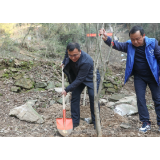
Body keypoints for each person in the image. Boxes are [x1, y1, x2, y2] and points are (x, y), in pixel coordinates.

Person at [100, 25, 160, 133]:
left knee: (158, 99)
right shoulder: (129, 45)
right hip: (139, 77)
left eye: (138, 39)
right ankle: (145, 122)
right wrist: (106, 38)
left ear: (143, 36)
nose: (135, 42)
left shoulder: (153, 43)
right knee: (140, 99)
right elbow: (116, 45)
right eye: (133, 39)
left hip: (153, 75)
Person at [61, 42, 100, 130]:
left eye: (75, 55)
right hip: (78, 76)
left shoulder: (86, 61)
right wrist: (64, 61)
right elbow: (66, 54)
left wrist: (67, 89)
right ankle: (75, 122)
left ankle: (96, 122)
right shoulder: (69, 54)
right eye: (70, 55)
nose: (73, 58)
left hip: (91, 78)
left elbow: (79, 79)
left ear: (80, 51)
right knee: (74, 95)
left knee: (93, 97)